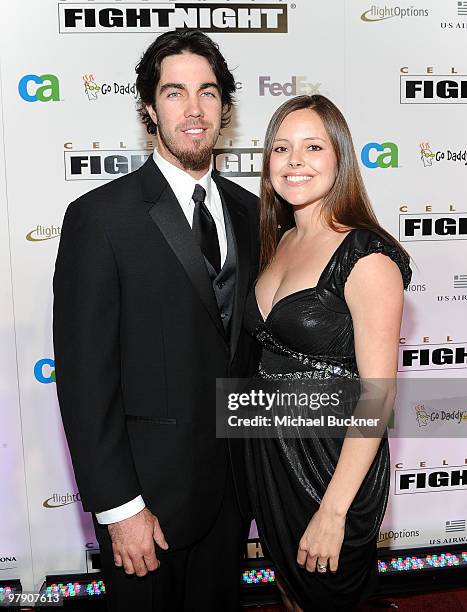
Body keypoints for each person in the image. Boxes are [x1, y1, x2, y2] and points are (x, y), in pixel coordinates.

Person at [53, 31, 260, 612]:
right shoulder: (100, 217)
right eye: (175, 93)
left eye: (208, 92)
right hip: (147, 505)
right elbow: (84, 379)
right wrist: (119, 508)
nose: (194, 110)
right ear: (149, 106)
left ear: (225, 106)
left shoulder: (252, 213)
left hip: (231, 498)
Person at [244, 95, 412, 611]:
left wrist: (334, 510)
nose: (294, 161)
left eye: (312, 146)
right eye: (280, 148)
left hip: (329, 466)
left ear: (339, 157)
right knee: (293, 597)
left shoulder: (366, 256)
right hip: (270, 460)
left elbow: (377, 396)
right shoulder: (276, 241)